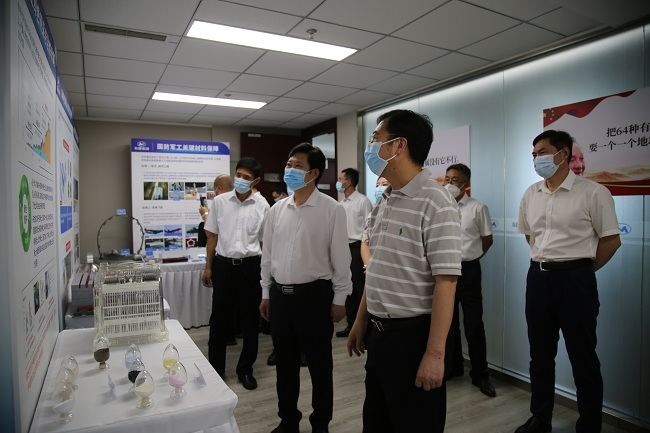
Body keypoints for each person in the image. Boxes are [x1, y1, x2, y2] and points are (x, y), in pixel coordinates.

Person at [348, 109, 462, 433]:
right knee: (377, 423)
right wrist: (360, 320)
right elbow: (378, 268)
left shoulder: (436, 202)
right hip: (379, 335)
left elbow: (446, 282)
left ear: (399, 145)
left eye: (376, 138)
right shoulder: (386, 200)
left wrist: (435, 355)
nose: (371, 146)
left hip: (413, 338)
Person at [516, 130, 620, 433]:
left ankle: (589, 424)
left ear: (563, 154)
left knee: (583, 357)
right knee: (540, 356)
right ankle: (540, 418)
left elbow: (611, 241)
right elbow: (530, 235)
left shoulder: (593, 192)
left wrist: (581, 269)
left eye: (543, 152)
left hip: (576, 281)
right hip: (538, 278)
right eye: (534, 154)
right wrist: (550, 263)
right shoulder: (531, 193)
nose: (537, 159)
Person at [260, 143, 352, 433]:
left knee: (319, 365)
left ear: (314, 173)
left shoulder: (331, 209)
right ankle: (288, 420)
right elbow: (267, 256)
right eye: (289, 164)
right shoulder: (276, 210)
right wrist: (265, 292)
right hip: (280, 296)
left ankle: (320, 424)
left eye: (297, 166)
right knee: (285, 364)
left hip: (314, 297)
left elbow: (341, 259)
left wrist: (340, 299)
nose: (290, 170)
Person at [201, 158, 270, 390]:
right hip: (224, 265)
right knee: (219, 318)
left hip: (251, 266)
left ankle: (245, 369)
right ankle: (216, 369)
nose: (240, 180)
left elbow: (264, 242)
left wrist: (267, 274)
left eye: (246, 177)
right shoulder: (220, 202)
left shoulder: (262, 205)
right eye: (238, 175)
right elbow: (212, 236)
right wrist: (208, 266)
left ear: (255, 181)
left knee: (250, 320)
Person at [442, 163, 495, 397]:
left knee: (473, 325)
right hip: (445, 271)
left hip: (469, 270)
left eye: (454, 180)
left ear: (466, 183)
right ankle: (453, 367)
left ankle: (480, 374)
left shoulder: (477, 207)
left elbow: (487, 240)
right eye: (447, 179)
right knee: (448, 323)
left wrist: (471, 258)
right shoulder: (440, 206)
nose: (449, 183)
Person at [335, 168, 372, 338]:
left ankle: (364, 327)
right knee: (348, 288)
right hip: (344, 248)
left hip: (358, 248)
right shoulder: (340, 203)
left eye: (340, 179)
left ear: (348, 182)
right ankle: (351, 325)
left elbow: (369, 228)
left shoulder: (363, 201)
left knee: (359, 288)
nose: (338, 182)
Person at [360, 177, 390, 267]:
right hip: (375, 266)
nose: (379, 188)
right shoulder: (372, 214)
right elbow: (365, 243)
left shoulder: (399, 211)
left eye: (384, 184)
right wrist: (368, 266)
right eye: (377, 185)